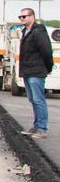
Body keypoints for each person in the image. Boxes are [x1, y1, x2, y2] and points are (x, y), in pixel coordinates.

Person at [17, 8, 54, 139]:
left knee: (39, 100)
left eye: (24, 16)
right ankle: (36, 125)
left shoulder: (38, 31)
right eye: (20, 17)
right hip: (28, 71)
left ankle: (42, 129)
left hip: (36, 71)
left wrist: (48, 67)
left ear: (32, 16)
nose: (21, 19)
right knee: (33, 99)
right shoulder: (25, 31)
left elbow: (46, 51)